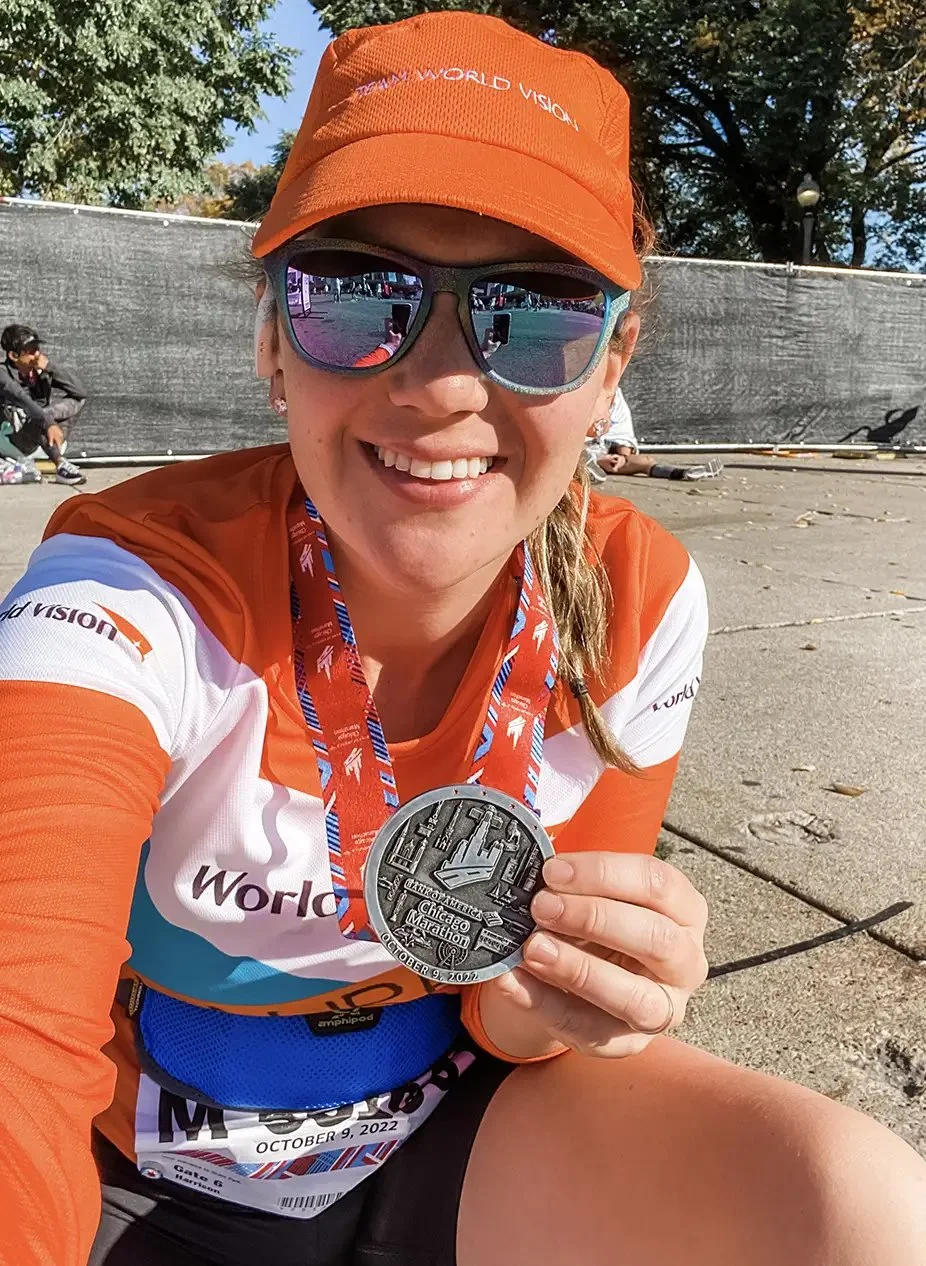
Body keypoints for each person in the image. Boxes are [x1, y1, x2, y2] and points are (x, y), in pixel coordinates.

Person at [0, 13, 923, 1266]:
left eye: (533, 314)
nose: (438, 386)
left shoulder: (638, 600)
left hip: (444, 1134)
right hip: (129, 1164)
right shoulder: (126, 594)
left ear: (610, 369)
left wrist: (562, 999)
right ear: (273, 339)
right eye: (354, 298)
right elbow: (14, 1031)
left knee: (859, 1206)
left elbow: (507, 1022)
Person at [0, 323, 88, 485]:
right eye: (31, 351)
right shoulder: (2, 374)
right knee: (38, 414)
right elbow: (21, 398)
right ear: (13, 355)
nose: (37, 354)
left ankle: (57, 455)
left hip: (44, 440)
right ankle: (60, 463)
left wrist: (50, 367)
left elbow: (80, 392)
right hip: (13, 440)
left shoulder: (40, 372)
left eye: (37, 348)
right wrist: (47, 422)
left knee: (77, 400)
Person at [585, 387, 723, 483]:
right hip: (580, 451)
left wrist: (621, 458)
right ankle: (589, 468)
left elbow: (622, 436)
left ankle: (683, 473)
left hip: (602, 452)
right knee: (581, 457)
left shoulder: (614, 395)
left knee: (644, 461)